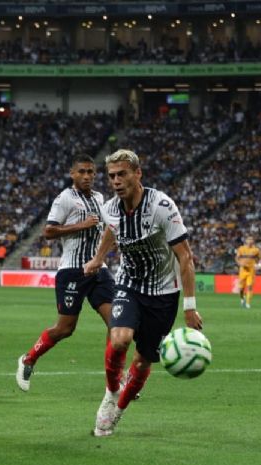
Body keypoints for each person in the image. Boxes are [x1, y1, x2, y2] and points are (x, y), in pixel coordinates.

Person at [84, 149, 203, 437]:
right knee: (120, 338)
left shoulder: (162, 206)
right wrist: (100, 257)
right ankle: (111, 394)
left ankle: (119, 411)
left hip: (164, 293)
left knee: (143, 359)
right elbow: (111, 230)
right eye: (111, 176)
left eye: (122, 174)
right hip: (130, 284)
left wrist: (189, 307)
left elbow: (185, 256)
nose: (116, 180)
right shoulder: (110, 208)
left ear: (138, 174)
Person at [15, 154, 123, 392]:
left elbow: (105, 228)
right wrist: (80, 225)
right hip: (72, 271)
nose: (87, 176)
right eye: (82, 172)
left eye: (91, 172)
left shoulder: (99, 198)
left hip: (98, 269)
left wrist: (106, 246)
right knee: (65, 328)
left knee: (117, 324)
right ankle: (29, 359)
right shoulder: (64, 199)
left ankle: (114, 381)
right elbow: (49, 231)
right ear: (72, 174)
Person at [235, 236, 261, 309]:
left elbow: (259, 259)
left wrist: (259, 264)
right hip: (243, 270)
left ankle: (248, 303)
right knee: (241, 288)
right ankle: (242, 298)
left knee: (250, 286)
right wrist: (240, 263)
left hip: (251, 270)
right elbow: (237, 258)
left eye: (251, 239)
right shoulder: (241, 249)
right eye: (249, 239)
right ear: (246, 241)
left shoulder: (256, 250)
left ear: (253, 241)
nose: (250, 241)